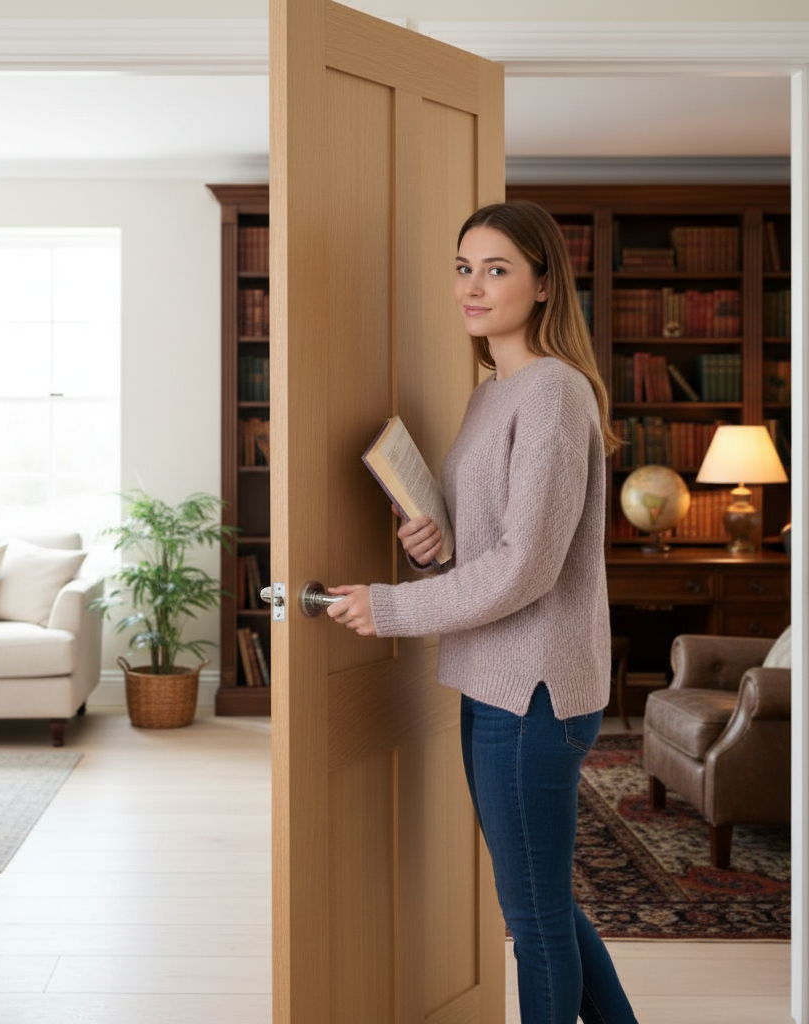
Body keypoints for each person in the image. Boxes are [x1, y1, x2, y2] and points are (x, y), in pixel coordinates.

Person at [326, 200, 639, 1024]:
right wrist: (436, 544)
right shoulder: (490, 395)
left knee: (532, 921)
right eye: (464, 267)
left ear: (542, 286)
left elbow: (529, 567)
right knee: (542, 903)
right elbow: (495, 547)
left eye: (497, 269)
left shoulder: (553, 394)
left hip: (534, 693)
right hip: (492, 683)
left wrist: (392, 606)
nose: (473, 286)